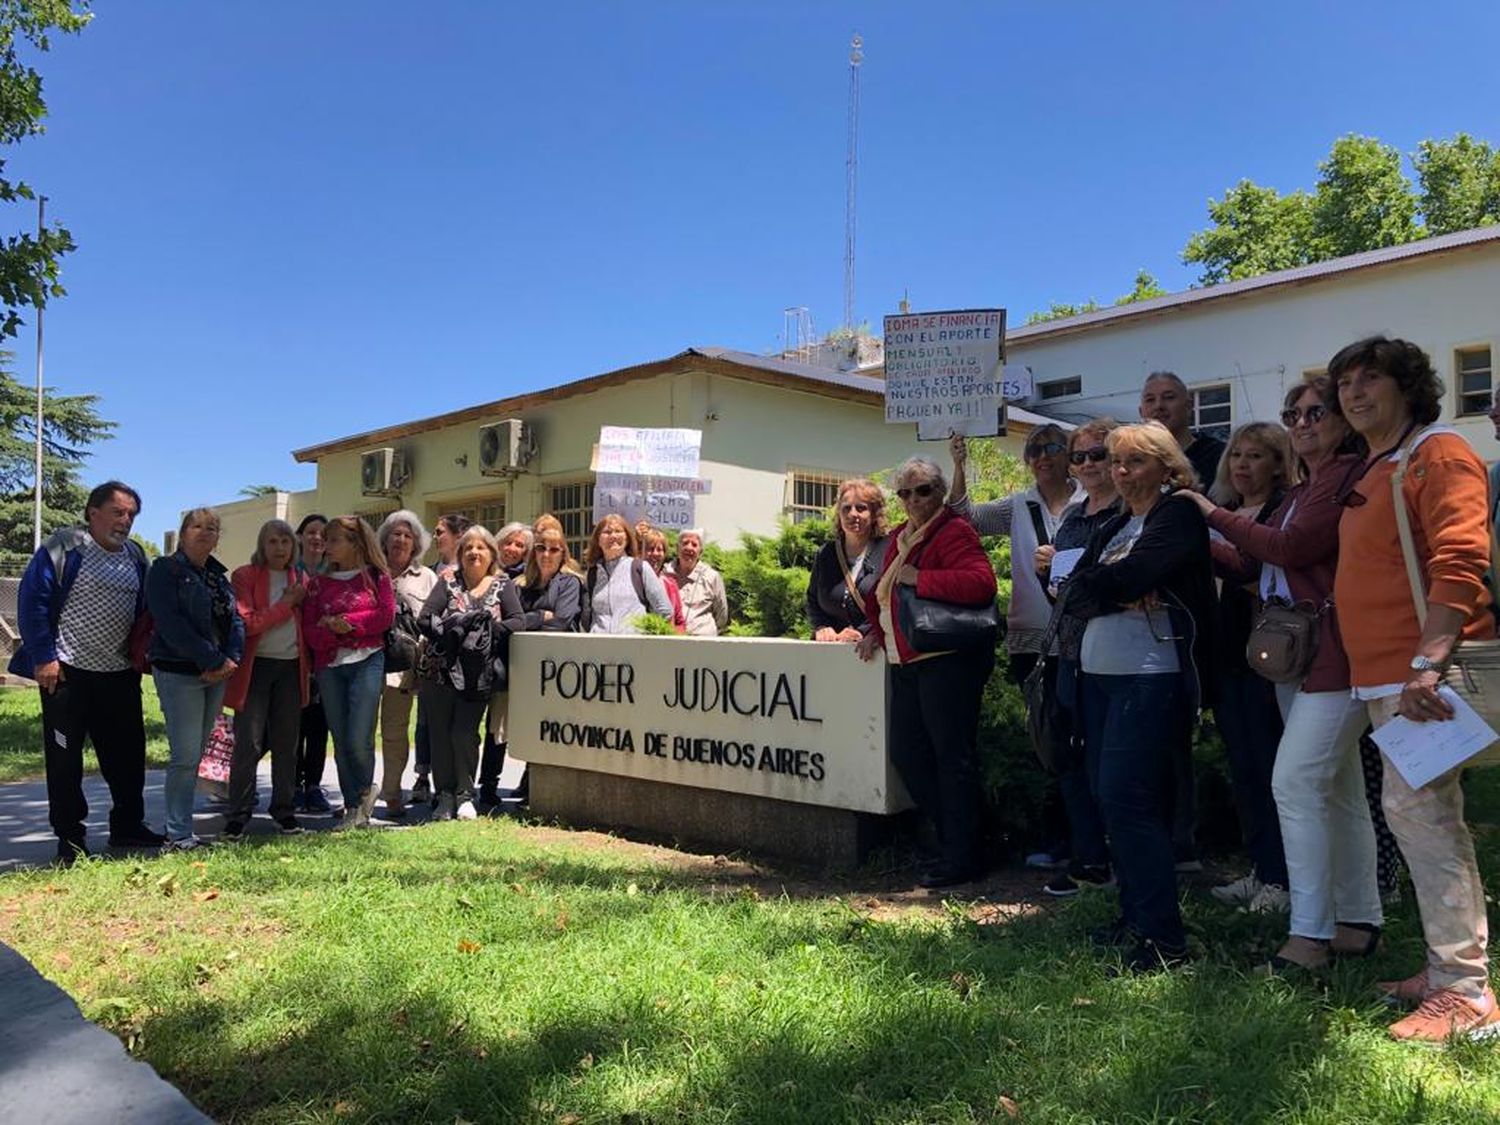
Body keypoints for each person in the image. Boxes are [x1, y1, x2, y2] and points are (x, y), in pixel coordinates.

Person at [1178, 378, 1381, 972]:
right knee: (1338, 791)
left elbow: (1290, 549)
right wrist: (1200, 527)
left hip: (1334, 654)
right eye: (1293, 413)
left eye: (1317, 411)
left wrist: (1209, 511)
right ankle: (1357, 921)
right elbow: (1250, 561)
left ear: (1343, 418)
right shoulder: (1307, 486)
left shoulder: (1340, 478)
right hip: (1298, 655)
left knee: (1292, 783)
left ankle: (1308, 936)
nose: (1302, 422)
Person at [1329, 336, 1498, 1041]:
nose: (1354, 392)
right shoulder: (1378, 464)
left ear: (1409, 386)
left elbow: (1463, 557)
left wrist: (1428, 661)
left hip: (1424, 675)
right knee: (1421, 816)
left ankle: (1465, 992)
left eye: (1372, 379)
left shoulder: (1436, 450)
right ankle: (1445, 971)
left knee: (1420, 814)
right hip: (1389, 676)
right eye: (1345, 383)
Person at [1064, 422, 1216, 971]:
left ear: (1167, 467)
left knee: (1128, 799)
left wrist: (1116, 586)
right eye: (1116, 462)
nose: (1122, 472)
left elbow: (1130, 576)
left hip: (1150, 675)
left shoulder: (1175, 513)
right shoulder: (1119, 521)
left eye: (1135, 462)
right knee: (1112, 800)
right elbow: (1073, 588)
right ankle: (1136, 917)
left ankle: (1164, 939)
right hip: (1103, 674)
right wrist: (1116, 590)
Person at [856, 457, 998, 889]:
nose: (914, 500)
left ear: (939, 492)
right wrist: (876, 634)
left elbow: (981, 584)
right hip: (908, 660)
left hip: (947, 660)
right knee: (909, 754)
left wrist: (923, 577)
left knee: (951, 759)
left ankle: (963, 856)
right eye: (905, 493)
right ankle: (964, 841)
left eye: (923, 491)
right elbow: (888, 597)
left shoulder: (953, 530)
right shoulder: (902, 536)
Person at [949, 423, 1081, 868]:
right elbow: (965, 517)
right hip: (1032, 638)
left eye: (1051, 447)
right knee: (1046, 739)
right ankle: (1061, 839)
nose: (1042, 457)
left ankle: (1086, 840)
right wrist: (959, 464)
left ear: (1069, 455)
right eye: (1033, 451)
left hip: (1083, 636)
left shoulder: (1091, 500)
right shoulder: (1018, 506)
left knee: (1080, 739)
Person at [10, 481, 162, 863]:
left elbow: (145, 611)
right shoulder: (63, 546)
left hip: (119, 673)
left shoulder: (135, 556)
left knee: (127, 757)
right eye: (118, 512)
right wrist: (44, 657)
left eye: (131, 515)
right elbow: (32, 602)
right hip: (66, 674)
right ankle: (70, 839)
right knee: (65, 762)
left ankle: (128, 827)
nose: (125, 521)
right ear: (93, 513)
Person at [1198, 421, 1293, 913]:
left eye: (1255, 456)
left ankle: (1285, 878)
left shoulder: (1282, 510)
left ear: (1278, 463)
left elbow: (1248, 567)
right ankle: (1262, 869)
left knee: (1272, 766)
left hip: (1271, 658)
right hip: (1229, 655)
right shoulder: (1228, 510)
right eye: (1236, 455)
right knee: (1245, 770)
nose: (1242, 465)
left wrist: (1200, 532)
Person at [1032, 419, 1121, 897]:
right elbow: (1061, 594)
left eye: (1098, 455)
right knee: (1069, 757)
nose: (1087, 464)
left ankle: (1122, 859)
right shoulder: (1073, 517)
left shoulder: (1132, 512)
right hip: (1069, 651)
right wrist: (1048, 573)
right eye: (1080, 456)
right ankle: (1089, 859)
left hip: (1116, 656)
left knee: (1111, 764)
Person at [147, 508, 245, 852]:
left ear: (218, 538)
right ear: (183, 532)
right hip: (180, 672)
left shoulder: (219, 577)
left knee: (197, 753)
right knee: (185, 756)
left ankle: (183, 830)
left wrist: (231, 659)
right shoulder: (165, 570)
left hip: (217, 674)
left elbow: (235, 621)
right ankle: (177, 835)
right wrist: (212, 658)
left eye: (212, 528)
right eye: (197, 526)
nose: (205, 532)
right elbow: (170, 623)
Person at [418, 525, 525, 820]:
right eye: (468, 548)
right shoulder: (448, 582)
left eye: (481, 547)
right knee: (440, 734)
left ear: (492, 553)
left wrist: (487, 629)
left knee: (464, 734)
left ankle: (465, 794)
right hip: (440, 672)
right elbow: (425, 619)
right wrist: (453, 629)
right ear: (460, 554)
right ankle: (444, 796)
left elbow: (518, 621)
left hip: (478, 674)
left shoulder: (503, 586)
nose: (474, 553)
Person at [483, 518, 586, 807]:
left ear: (563, 553)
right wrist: (541, 617)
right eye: (541, 547)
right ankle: (488, 786)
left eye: (554, 549)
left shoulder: (570, 583)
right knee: (499, 725)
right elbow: (507, 623)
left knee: (541, 726)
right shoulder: (518, 584)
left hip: (552, 670)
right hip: (514, 665)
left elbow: (563, 622)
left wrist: (525, 622)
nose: (547, 554)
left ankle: (532, 784)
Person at [301, 516, 395, 829]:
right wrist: (333, 631)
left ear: (355, 543)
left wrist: (348, 623)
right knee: (340, 739)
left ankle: (364, 792)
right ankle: (354, 805)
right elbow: (310, 631)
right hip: (329, 666)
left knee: (359, 737)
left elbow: (384, 617)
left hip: (367, 660)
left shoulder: (377, 577)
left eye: (334, 540)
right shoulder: (317, 584)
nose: (325, 546)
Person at [222, 519, 310, 838]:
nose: (280, 548)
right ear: (262, 544)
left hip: (291, 666)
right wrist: (286, 604)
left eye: (285, 542)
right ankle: (238, 813)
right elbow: (248, 624)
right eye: (273, 542)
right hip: (256, 667)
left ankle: (284, 811)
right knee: (249, 742)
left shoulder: (300, 577)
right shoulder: (245, 576)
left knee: (287, 743)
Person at [375, 510, 438, 819]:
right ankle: (357, 796)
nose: (400, 540)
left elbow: (434, 620)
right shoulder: (369, 571)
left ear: (416, 544)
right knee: (360, 732)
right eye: (395, 534)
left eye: (407, 535)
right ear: (384, 539)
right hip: (366, 659)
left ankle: (391, 793)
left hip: (402, 665)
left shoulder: (427, 578)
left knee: (395, 731)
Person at [410, 513, 471, 802]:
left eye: (440, 532)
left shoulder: (472, 570)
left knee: (457, 725)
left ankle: (457, 786)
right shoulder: (432, 571)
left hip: (462, 658)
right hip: (431, 656)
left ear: (458, 535)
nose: (435, 537)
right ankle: (424, 777)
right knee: (426, 720)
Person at [807, 479, 890, 642]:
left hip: (874, 651)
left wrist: (863, 632)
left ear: (874, 514)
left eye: (861, 508)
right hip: (830, 650)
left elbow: (894, 604)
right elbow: (812, 599)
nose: (853, 514)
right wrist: (822, 627)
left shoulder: (890, 550)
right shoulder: (825, 553)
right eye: (846, 508)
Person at [292, 513, 334, 814]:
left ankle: (314, 786)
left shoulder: (335, 572)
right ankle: (293, 785)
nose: (317, 538)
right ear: (300, 536)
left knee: (319, 725)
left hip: (325, 658)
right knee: (294, 724)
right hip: (293, 656)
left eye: (323, 533)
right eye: (310, 532)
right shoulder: (288, 570)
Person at [583, 515, 675, 633]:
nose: (613, 536)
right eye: (607, 532)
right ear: (598, 540)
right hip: (598, 647)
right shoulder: (592, 574)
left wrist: (643, 634)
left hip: (634, 648)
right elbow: (587, 616)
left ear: (627, 538)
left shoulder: (640, 568)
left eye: (618, 531)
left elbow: (665, 611)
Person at [1139, 370, 1226, 491]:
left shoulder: (1220, 458)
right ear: (1141, 412)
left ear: (1189, 406)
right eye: (1150, 400)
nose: (1158, 405)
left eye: (1168, 397)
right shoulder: (1133, 463)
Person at [665, 529, 729, 636]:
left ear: (700, 552)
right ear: (677, 548)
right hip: (671, 641)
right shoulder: (664, 574)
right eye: (685, 543)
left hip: (703, 643)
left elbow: (722, 615)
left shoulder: (712, 577)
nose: (689, 548)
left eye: (694, 545)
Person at [639, 526, 687, 631]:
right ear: (641, 553)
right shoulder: (634, 581)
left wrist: (672, 635)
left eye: (659, 550)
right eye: (650, 549)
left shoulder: (671, 585)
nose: (655, 554)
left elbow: (680, 622)